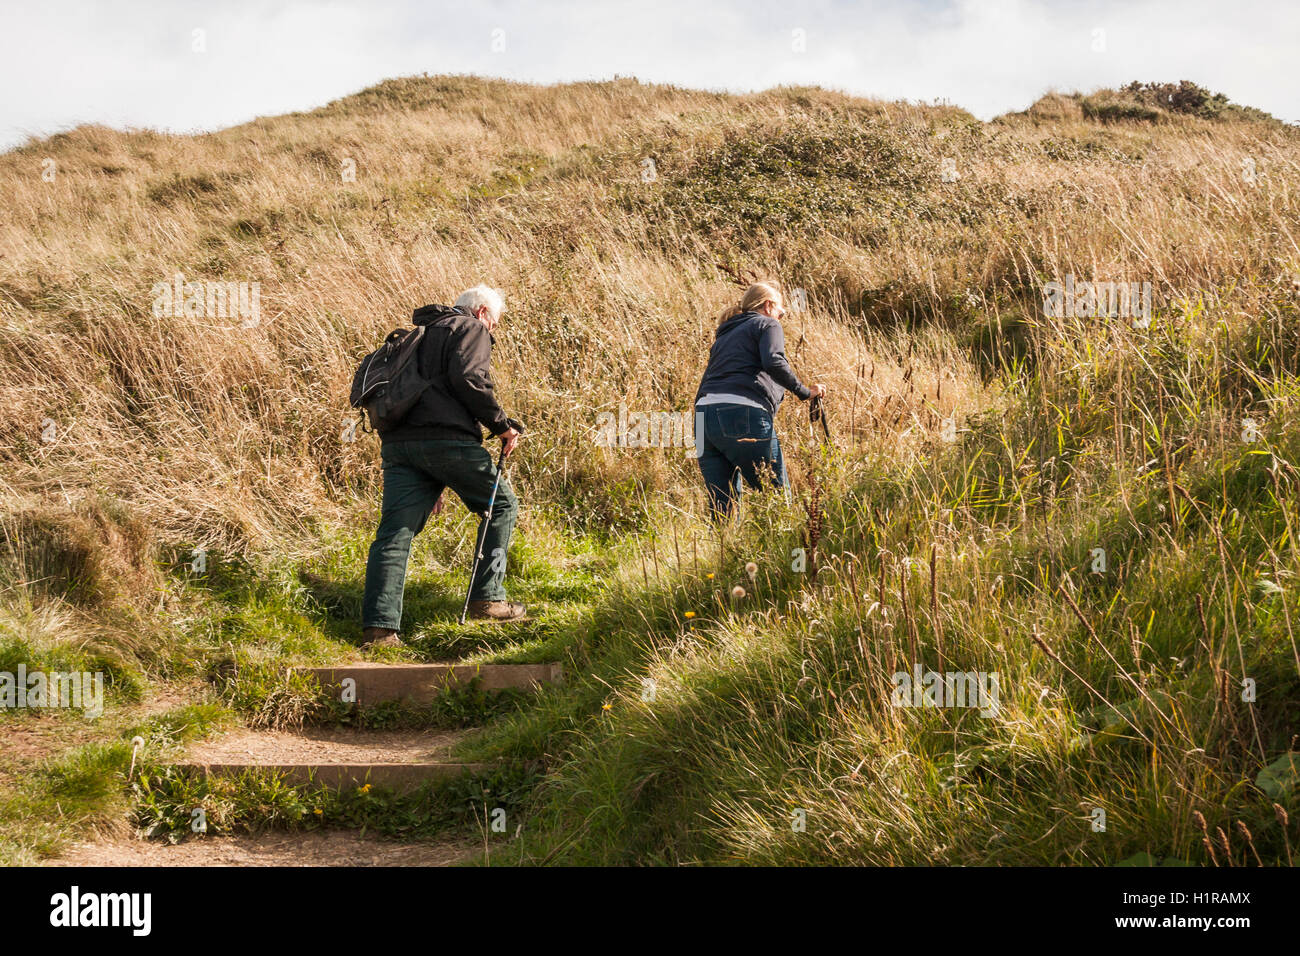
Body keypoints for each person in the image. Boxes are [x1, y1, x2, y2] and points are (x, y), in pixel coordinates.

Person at [361, 284, 526, 648]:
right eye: (494, 324)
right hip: (448, 442)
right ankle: (488, 598)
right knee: (500, 505)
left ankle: (379, 630)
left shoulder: (415, 336)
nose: (492, 330)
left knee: (394, 533)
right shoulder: (470, 328)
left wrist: (432, 480)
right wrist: (502, 426)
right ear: (482, 312)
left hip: (400, 446)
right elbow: (469, 378)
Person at [693, 281, 826, 517]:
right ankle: (784, 552)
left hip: (704, 418)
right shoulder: (767, 323)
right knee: (776, 498)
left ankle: (725, 551)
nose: (780, 318)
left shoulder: (725, 334)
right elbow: (773, 361)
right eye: (781, 312)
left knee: (722, 509)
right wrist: (805, 392)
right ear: (768, 305)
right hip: (742, 413)